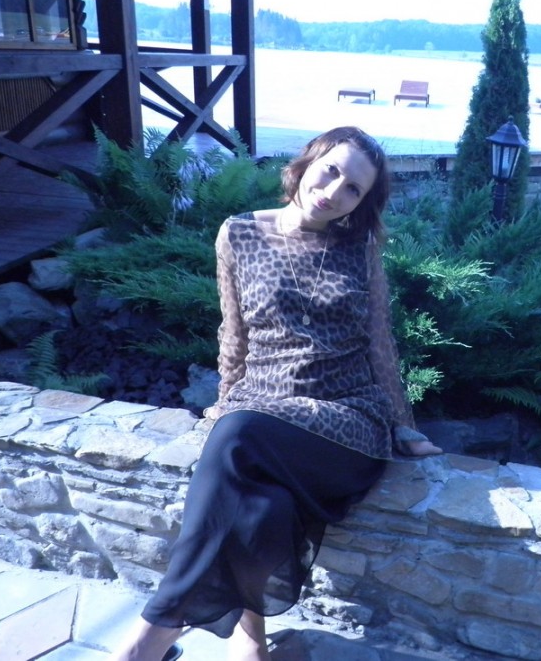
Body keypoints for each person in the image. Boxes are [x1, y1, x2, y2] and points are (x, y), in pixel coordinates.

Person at [108, 126, 442, 661]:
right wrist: (224, 402)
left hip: (346, 418)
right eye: (331, 171)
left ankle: (149, 639)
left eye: (353, 189)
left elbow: (380, 340)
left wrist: (403, 424)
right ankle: (250, 645)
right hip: (264, 406)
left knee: (238, 434)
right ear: (308, 162)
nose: (334, 191)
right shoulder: (238, 234)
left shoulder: (359, 248)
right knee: (263, 504)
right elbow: (234, 333)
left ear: (362, 202)